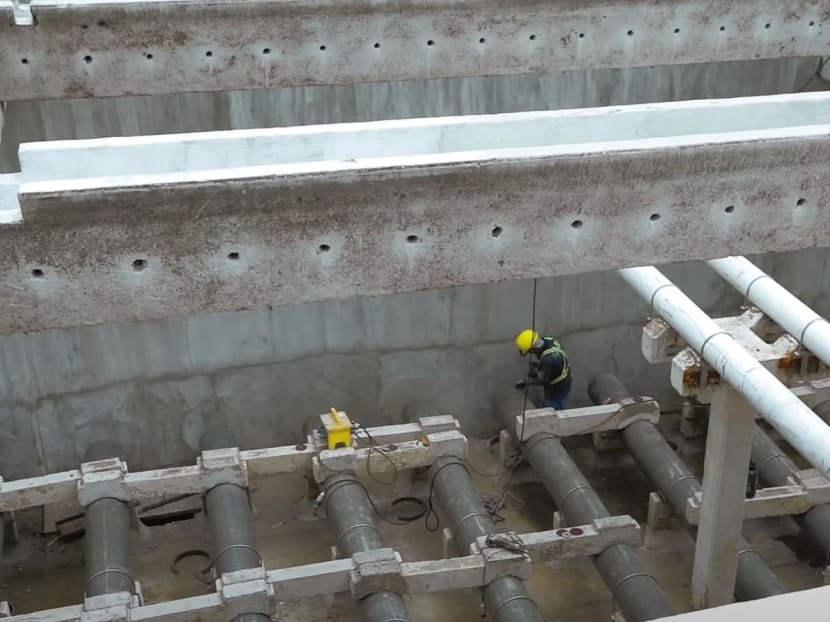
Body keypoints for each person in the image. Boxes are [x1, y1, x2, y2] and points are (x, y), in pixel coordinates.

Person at [514, 329, 572, 410]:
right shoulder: (548, 340)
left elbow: (543, 381)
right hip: (562, 374)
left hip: (557, 388)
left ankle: (554, 414)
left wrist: (526, 382)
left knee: (552, 408)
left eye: (530, 352)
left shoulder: (548, 360)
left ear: (533, 348)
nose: (531, 354)